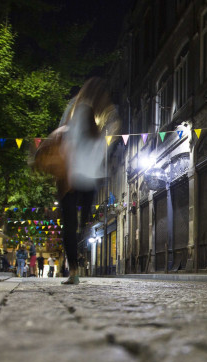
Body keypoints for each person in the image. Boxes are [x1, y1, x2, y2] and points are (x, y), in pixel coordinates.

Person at [56, 78, 118, 285]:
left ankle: (74, 269)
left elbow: (67, 140)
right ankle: (80, 250)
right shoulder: (105, 115)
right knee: (82, 225)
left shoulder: (75, 108)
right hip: (90, 178)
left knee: (70, 226)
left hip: (72, 176)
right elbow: (110, 140)